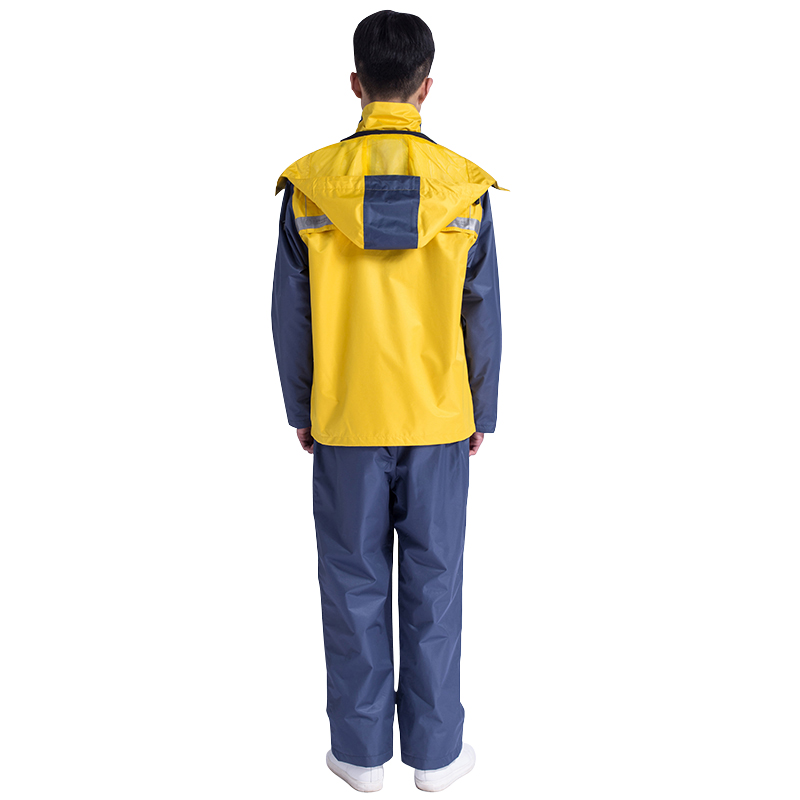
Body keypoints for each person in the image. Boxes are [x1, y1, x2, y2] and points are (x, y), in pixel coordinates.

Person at [271, 10, 505, 793]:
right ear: (425, 88)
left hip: (345, 418)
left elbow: (290, 311)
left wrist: (303, 407)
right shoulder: (464, 187)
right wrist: (481, 411)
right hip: (438, 419)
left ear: (355, 83)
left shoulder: (310, 185)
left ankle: (360, 756)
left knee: (352, 586)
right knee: (435, 587)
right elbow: (481, 309)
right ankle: (436, 758)